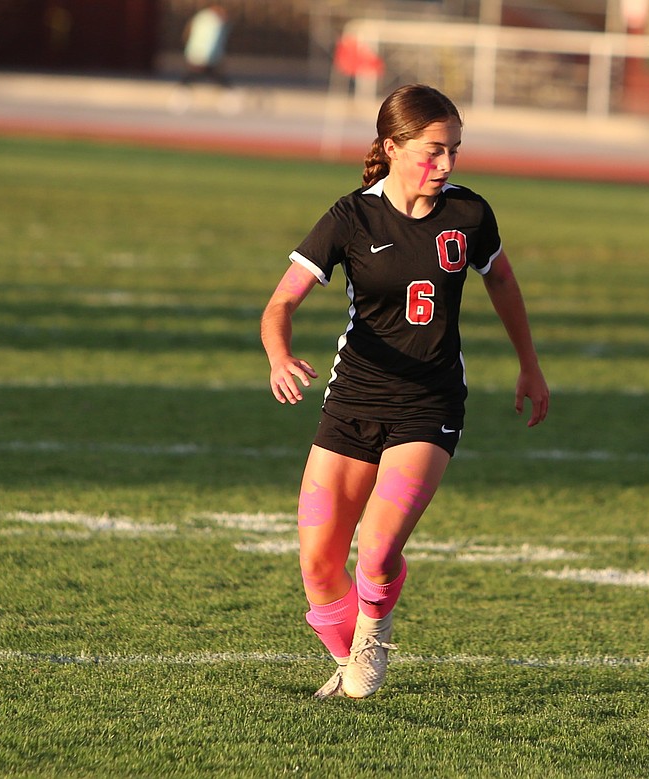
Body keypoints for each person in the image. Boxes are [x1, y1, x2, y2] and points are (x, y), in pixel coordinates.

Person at [261, 84, 550, 700]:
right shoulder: (350, 217)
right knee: (317, 565)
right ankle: (350, 663)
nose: (446, 165)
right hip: (352, 400)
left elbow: (502, 282)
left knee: (377, 548)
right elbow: (281, 302)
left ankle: (372, 639)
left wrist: (529, 365)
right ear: (392, 148)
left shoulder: (469, 214)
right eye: (434, 151)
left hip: (430, 403)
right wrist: (279, 353)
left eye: (455, 151)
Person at [172, 4, 239, 113]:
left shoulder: (206, 19)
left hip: (202, 55)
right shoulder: (212, 21)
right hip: (202, 55)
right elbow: (208, 41)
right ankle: (181, 94)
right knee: (196, 75)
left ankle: (181, 93)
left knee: (207, 76)